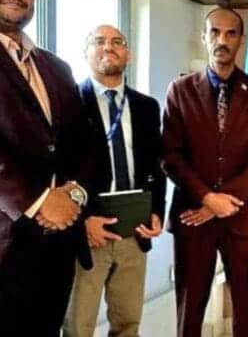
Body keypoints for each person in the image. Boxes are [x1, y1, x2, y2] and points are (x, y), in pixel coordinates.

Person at [162, 7, 248, 337]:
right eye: (214, 32)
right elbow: (171, 156)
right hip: (192, 216)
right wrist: (207, 198)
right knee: (190, 308)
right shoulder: (180, 90)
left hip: (241, 215)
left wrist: (223, 201)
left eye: (231, 33)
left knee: (245, 308)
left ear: (241, 39)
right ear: (204, 37)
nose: (222, 40)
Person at [0, 0, 92, 335]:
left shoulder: (56, 68)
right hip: (6, 239)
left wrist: (74, 195)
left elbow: (83, 145)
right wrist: (39, 202)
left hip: (58, 242)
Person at [63, 25, 166, 337]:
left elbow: (156, 166)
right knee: (78, 327)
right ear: (86, 53)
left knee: (128, 324)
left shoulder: (147, 107)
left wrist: (156, 212)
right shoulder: (67, 103)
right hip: (88, 233)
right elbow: (59, 171)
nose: (108, 47)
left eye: (117, 42)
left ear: (128, 54)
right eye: (99, 41)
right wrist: (83, 220)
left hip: (133, 232)